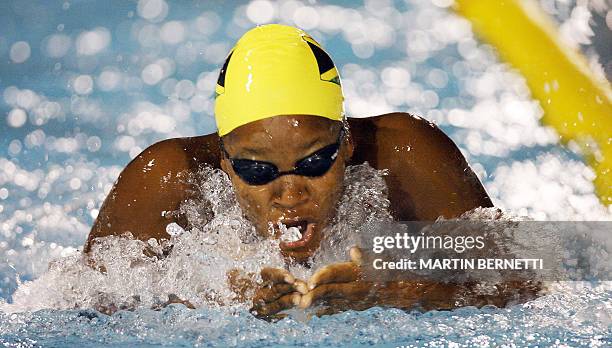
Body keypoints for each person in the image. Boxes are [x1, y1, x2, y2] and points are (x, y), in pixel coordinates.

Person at [83, 24, 539, 318]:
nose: (290, 192)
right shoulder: (168, 177)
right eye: (257, 170)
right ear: (225, 163)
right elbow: (77, 304)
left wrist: (398, 288)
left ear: (348, 145)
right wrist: (213, 302)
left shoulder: (401, 152)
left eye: (314, 162)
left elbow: (536, 271)